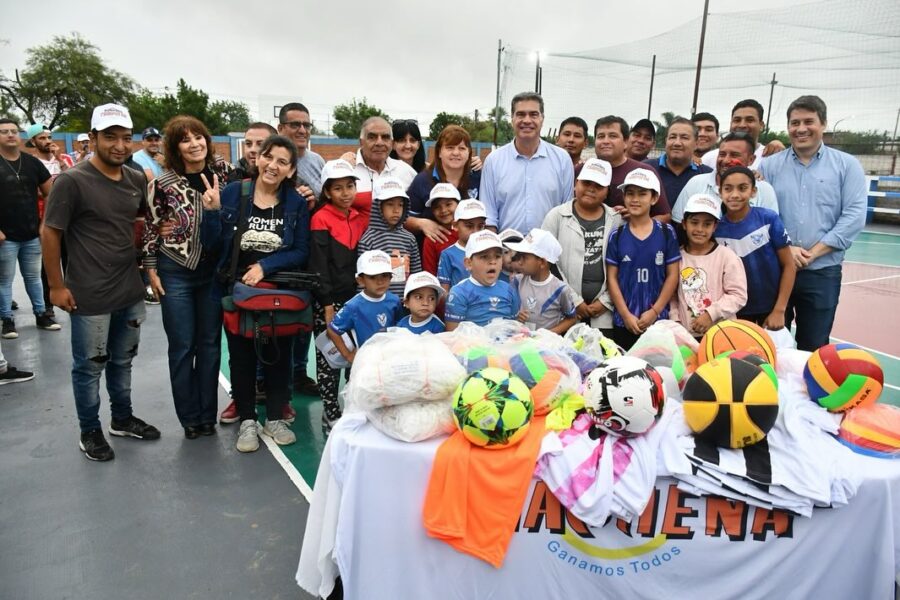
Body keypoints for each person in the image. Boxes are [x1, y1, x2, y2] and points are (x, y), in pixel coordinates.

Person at [42, 103, 161, 461]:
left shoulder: (135, 178)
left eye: (126, 138)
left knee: (122, 360)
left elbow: (140, 223)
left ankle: (121, 419)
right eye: (110, 137)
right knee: (90, 365)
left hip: (129, 289)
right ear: (93, 138)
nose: (120, 146)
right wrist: (56, 286)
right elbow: (50, 233)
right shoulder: (71, 181)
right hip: (88, 293)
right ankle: (89, 430)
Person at [210, 135, 310, 453]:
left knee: (277, 354)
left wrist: (266, 266)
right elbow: (214, 246)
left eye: (283, 161)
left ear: (291, 170)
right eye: (269, 156)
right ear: (258, 159)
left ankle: (276, 418)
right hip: (238, 292)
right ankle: (248, 420)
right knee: (240, 357)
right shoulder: (233, 194)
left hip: (276, 293)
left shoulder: (295, 202)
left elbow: (300, 249)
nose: (273, 165)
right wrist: (212, 212)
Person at [142, 115, 231, 439]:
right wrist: (150, 268)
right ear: (175, 147)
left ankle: (207, 415)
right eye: (185, 139)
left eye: (199, 137)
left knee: (209, 345)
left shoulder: (223, 175)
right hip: (175, 270)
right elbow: (152, 227)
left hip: (212, 273)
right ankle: (189, 418)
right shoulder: (161, 184)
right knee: (182, 347)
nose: (194, 144)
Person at [759, 95, 867, 351]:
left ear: (824, 124)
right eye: (795, 122)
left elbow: (854, 215)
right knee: (771, 345)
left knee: (815, 346)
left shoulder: (847, 166)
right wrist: (787, 250)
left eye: (809, 121)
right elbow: (762, 212)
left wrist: (812, 253)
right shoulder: (770, 166)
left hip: (822, 272)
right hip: (776, 270)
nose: (801, 128)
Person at [309, 159, 366, 434]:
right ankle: (330, 413)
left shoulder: (359, 214)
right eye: (338, 188)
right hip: (329, 302)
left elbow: (373, 196)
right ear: (327, 192)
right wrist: (327, 304)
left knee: (354, 357)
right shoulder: (320, 218)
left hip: (357, 299)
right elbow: (319, 265)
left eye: (350, 186)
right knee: (329, 358)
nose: (346, 193)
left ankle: (351, 408)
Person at [542, 157, 622, 335]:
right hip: (563, 309)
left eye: (598, 186)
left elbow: (625, 265)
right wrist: (574, 300)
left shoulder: (617, 220)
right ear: (576, 184)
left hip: (604, 312)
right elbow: (546, 263)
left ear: (607, 191)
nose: (591, 189)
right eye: (586, 183)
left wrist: (606, 301)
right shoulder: (556, 216)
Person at [605, 169, 680, 350]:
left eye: (642, 194)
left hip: (658, 320)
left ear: (654, 199)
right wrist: (625, 314)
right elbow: (612, 278)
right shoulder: (617, 234)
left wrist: (655, 312)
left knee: (658, 370)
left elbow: (672, 275)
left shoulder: (665, 232)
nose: (635, 199)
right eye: (630, 194)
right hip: (625, 321)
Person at [714, 166, 795, 331]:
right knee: (742, 356)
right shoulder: (716, 229)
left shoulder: (768, 219)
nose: (735, 195)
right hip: (736, 312)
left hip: (772, 309)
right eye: (728, 189)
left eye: (742, 188)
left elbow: (789, 265)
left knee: (775, 354)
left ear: (753, 191)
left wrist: (780, 309)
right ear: (719, 192)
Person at [480, 92, 574, 233]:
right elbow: (489, 216)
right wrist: (496, 253)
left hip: (548, 250)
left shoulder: (562, 159)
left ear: (542, 118)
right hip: (506, 249)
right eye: (521, 114)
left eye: (533, 114)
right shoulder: (494, 161)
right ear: (512, 119)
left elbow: (566, 212)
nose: (527, 120)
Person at [0, 118, 59, 339]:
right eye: (4, 131)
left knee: (33, 277)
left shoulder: (32, 163)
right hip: (5, 237)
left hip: (32, 234)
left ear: (20, 136)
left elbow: (51, 194)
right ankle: (7, 320)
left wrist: (44, 224)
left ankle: (42, 314)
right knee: (4, 280)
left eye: (14, 131)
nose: (10, 135)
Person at [669, 194, 747, 338]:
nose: (700, 229)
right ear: (684, 224)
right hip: (685, 336)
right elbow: (672, 294)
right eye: (694, 222)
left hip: (722, 336)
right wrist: (676, 320)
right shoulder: (676, 257)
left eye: (707, 224)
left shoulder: (727, 256)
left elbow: (738, 295)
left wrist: (711, 314)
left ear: (715, 226)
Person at [671, 131, 779, 225]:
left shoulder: (764, 190)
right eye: (722, 154)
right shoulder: (696, 183)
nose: (726, 160)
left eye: (734, 155)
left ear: (751, 159)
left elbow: (771, 230)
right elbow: (678, 224)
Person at [407, 125, 481, 244]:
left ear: (469, 153)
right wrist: (420, 223)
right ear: (439, 152)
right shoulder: (423, 180)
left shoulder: (479, 178)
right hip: (431, 253)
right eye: (450, 148)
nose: (456, 153)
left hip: (471, 253)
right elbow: (403, 218)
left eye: (462, 148)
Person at [589, 116, 671, 222]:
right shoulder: (581, 171)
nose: (606, 141)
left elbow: (665, 216)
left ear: (625, 142)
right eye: (600, 136)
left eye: (613, 136)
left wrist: (639, 219)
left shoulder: (645, 171)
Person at [327, 250, 402, 363]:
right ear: (360, 280)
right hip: (365, 362)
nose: (380, 281)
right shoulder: (353, 306)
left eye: (385, 275)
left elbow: (400, 328)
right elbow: (332, 331)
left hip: (391, 360)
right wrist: (347, 355)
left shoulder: (394, 300)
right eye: (372, 277)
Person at [357, 177, 422, 298]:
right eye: (390, 204)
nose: (396, 210)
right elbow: (362, 279)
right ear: (378, 207)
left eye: (401, 205)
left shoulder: (410, 238)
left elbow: (416, 275)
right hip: (378, 304)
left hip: (405, 304)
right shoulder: (368, 240)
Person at [444, 230, 520, 330]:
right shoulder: (459, 293)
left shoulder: (509, 290)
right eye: (484, 257)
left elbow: (514, 328)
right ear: (468, 263)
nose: (492, 262)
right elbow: (452, 335)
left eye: (497, 256)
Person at [507, 228, 578, 335]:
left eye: (525, 257)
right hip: (520, 344)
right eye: (519, 256)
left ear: (542, 263)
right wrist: (516, 316)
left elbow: (572, 318)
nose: (520, 262)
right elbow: (508, 311)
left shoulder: (560, 289)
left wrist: (548, 335)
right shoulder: (516, 281)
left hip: (547, 348)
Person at [349, 117, 417, 226]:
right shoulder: (347, 170)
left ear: (392, 143)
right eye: (372, 137)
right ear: (361, 142)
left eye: (385, 137)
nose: (379, 142)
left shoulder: (406, 172)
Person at [700, 100, 785, 170]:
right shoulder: (709, 158)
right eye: (737, 120)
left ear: (762, 125)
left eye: (749, 120)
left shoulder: (771, 157)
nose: (742, 125)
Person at [644, 117, 712, 202]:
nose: (677, 143)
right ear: (666, 141)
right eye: (672, 137)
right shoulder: (646, 169)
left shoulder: (708, 176)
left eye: (684, 137)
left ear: (696, 143)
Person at [276, 102, 325, 206]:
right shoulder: (272, 163)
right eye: (295, 125)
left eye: (307, 125)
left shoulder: (318, 160)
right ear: (280, 129)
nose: (302, 130)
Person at [438, 199, 487, 292]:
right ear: (455, 225)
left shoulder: (490, 251)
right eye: (469, 226)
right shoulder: (448, 254)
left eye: (480, 226)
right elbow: (444, 292)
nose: (475, 231)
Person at [421, 183, 461, 275]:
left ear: (458, 204)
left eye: (448, 204)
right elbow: (430, 273)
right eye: (437, 207)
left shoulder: (470, 230)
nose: (443, 210)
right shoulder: (431, 238)